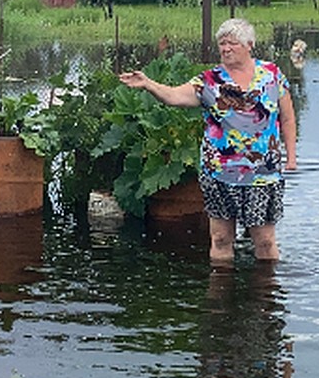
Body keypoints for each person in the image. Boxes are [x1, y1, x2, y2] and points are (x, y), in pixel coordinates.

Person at [118, 18, 298, 261]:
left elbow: (287, 119)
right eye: (222, 44)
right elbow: (174, 96)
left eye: (232, 43)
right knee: (221, 239)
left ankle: (265, 295)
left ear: (249, 45)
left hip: (263, 174)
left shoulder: (272, 75)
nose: (226, 49)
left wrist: (291, 157)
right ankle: (220, 295)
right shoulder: (209, 81)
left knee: (265, 242)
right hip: (219, 173)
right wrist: (149, 84)